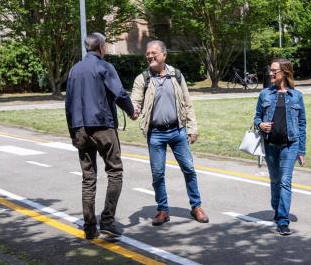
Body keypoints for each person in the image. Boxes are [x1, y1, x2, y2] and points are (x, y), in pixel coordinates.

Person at [65, 32, 137, 239]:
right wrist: (131, 111)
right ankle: (107, 221)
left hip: (80, 128)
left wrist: (73, 133)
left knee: (88, 178)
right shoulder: (104, 66)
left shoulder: (75, 70)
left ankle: (89, 227)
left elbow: (68, 104)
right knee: (115, 172)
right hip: (103, 127)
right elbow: (120, 93)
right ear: (101, 47)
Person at [131, 40, 209, 226]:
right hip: (155, 134)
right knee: (158, 174)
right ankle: (163, 209)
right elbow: (135, 101)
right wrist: (133, 109)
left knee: (189, 169)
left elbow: (187, 103)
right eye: (148, 53)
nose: (150, 56)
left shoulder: (176, 75)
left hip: (178, 130)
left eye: (154, 53)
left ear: (164, 55)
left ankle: (196, 207)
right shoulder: (143, 78)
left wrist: (192, 128)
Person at [254, 58, 306, 236]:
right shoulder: (265, 94)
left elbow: (302, 124)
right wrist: (260, 124)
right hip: (270, 145)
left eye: (274, 71)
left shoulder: (297, 96)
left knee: (285, 181)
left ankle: (283, 220)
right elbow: (257, 117)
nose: (270, 73)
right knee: (275, 181)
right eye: (270, 70)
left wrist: (301, 150)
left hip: (290, 146)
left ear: (284, 72)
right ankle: (277, 210)